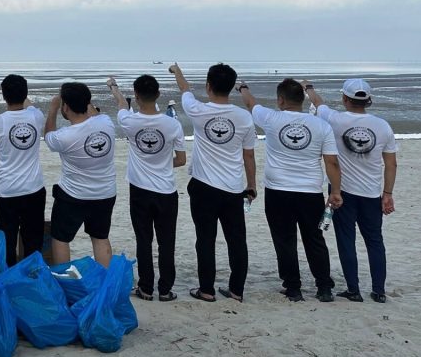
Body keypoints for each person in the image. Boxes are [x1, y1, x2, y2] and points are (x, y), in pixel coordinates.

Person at [238, 78, 341, 302]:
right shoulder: (321, 125)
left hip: (278, 191)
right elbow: (331, 162)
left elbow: (250, 104)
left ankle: (293, 287)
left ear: (281, 100)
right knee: (314, 239)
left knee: (284, 240)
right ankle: (324, 286)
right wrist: (336, 191)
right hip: (310, 191)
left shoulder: (272, 118)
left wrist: (243, 87)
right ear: (302, 99)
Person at [169, 62, 256, 303]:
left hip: (204, 187)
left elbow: (184, 90)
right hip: (234, 187)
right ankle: (236, 290)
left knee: (205, 238)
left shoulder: (198, 110)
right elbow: (248, 155)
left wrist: (177, 71)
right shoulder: (244, 118)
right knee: (237, 240)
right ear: (230, 88)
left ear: (208, 86)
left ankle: (206, 289)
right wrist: (252, 185)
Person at [304, 79, 398, 303]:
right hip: (372, 192)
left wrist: (308, 89)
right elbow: (391, 164)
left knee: (346, 241)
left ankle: (354, 289)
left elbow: (318, 103)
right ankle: (379, 291)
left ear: (345, 99)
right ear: (369, 100)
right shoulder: (383, 126)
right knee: (375, 241)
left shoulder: (334, 119)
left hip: (342, 191)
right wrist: (388, 193)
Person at [109, 74, 186, 302]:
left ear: (137, 95)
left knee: (144, 239)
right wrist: (162, 163)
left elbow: (122, 105)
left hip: (140, 190)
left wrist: (114, 87)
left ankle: (145, 287)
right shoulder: (172, 124)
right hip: (166, 191)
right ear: (159, 95)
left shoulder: (130, 122)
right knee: (166, 241)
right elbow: (181, 160)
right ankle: (165, 289)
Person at [44, 82, 117, 267]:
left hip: (73, 195)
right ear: (87, 103)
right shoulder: (106, 123)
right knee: (100, 238)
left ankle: (63, 278)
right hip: (105, 193)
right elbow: (93, 113)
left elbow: (48, 135)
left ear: (65, 107)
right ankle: (105, 283)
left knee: (61, 238)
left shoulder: (64, 137)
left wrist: (52, 109)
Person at [0, 74, 46, 268]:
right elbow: (29, 105)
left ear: (3, 96)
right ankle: (31, 276)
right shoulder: (36, 116)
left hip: (7, 189)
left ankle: (10, 276)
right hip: (33, 188)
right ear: (26, 94)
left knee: (7, 238)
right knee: (33, 239)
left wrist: (4, 170)